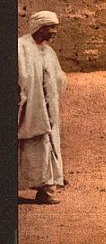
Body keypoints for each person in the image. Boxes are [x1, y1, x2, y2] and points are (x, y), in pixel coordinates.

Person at [18, 11, 68, 205]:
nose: (54, 31)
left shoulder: (48, 51)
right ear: (40, 28)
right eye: (52, 27)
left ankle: (47, 190)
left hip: (48, 109)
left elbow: (57, 77)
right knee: (25, 148)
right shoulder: (21, 47)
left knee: (49, 145)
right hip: (28, 109)